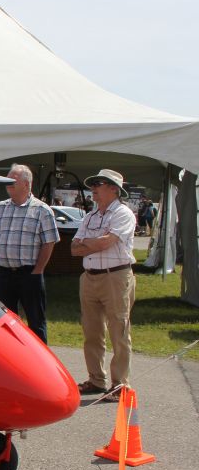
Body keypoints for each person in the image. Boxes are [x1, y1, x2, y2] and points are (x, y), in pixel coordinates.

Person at [70, 169, 137, 400]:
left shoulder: (123, 213)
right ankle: (96, 380)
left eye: (99, 184)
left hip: (115, 277)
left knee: (119, 330)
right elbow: (73, 248)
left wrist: (89, 243)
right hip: (89, 277)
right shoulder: (90, 216)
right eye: (93, 184)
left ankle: (120, 385)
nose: (94, 189)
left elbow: (106, 242)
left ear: (114, 189)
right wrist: (94, 243)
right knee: (91, 330)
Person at [0, 164, 60, 343]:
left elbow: (49, 242)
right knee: (5, 322)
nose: (8, 184)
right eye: (7, 180)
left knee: (36, 322)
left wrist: (38, 270)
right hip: (5, 274)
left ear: (27, 184)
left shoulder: (41, 210)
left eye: (13, 180)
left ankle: (39, 366)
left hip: (29, 273)